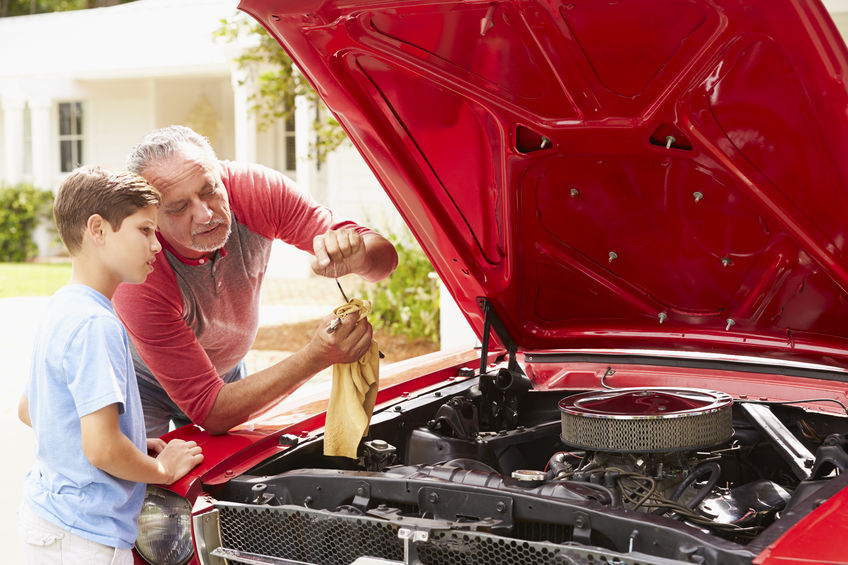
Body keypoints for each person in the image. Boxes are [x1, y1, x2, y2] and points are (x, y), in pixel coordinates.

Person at [113, 125, 398, 436]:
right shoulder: (136, 270)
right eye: (179, 207)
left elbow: (384, 260)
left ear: (220, 172)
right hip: (140, 382)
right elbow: (211, 410)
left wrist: (360, 258)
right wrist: (317, 356)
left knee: (231, 475)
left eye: (209, 190)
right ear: (151, 215)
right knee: (139, 479)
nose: (205, 214)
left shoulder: (255, 191)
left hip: (224, 374)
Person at [17, 165, 204, 564]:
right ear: (98, 230)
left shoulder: (64, 305)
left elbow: (30, 409)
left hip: (49, 519)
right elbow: (101, 448)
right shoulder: (96, 323)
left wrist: (132, 442)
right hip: (85, 539)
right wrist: (163, 471)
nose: (158, 245)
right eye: (145, 230)